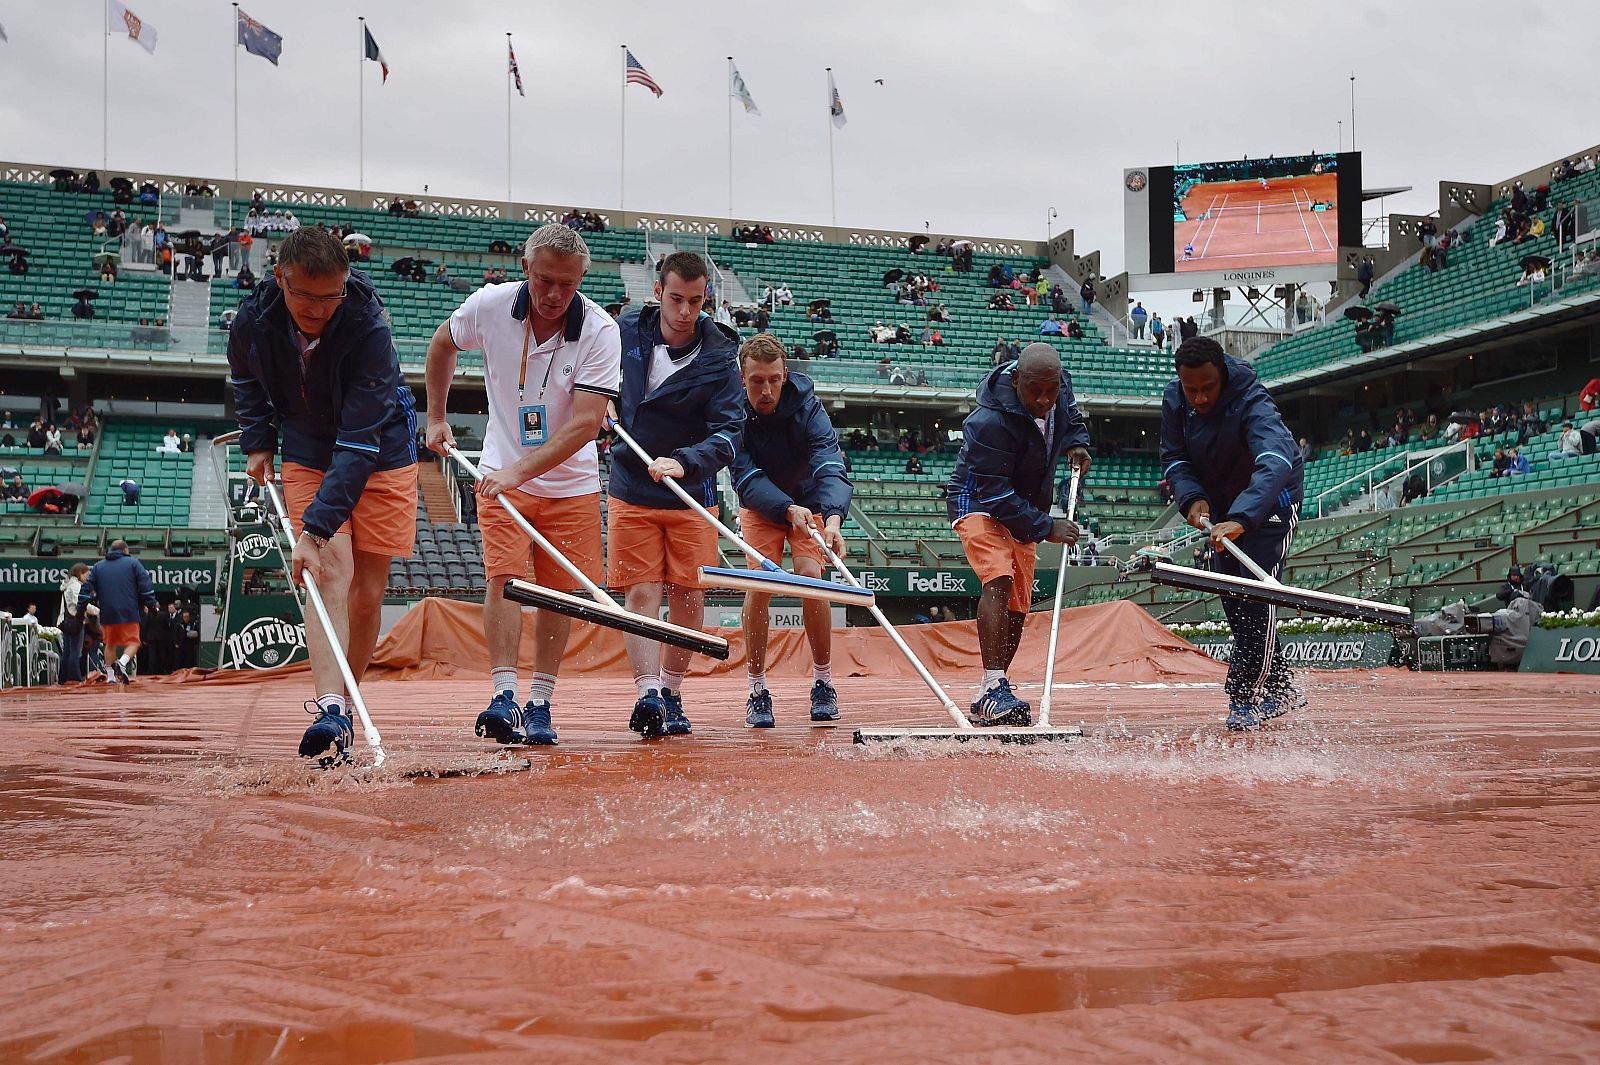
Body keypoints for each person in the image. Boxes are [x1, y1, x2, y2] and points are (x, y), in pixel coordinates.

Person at [227, 226, 420, 766]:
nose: (317, 308)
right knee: (328, 569)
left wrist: (313, 526)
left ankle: (348, 707)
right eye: (305, 294)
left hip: (381, 447)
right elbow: (245, 377)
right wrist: (260, 438)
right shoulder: (252, 319)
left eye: (329, 295)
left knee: (366, 592)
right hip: (307, 442)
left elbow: (358, 444)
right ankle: (330, 707)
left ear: (345, 283)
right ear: (280, 278)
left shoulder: (369, 329)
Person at [425, 224, 620, 747]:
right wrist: (436, 416)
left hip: (571, 484)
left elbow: (584, 424)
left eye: (568, 284)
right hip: (500, 470)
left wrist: (519, 472)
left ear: (581, 278)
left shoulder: (601, 331)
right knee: (504, 580)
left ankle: (541, 702)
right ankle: (504, 694)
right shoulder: (489, 306)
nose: (555, 295)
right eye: (544, 281)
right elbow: (443, 343)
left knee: (559, 594)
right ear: (525, 269)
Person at [610, 252, 744, 739]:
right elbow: (593, 373)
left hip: (690, 491)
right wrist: (602, 398)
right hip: (630, 482)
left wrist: (685, 460)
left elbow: (730, 433)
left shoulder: (721, 355)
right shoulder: (624, 331)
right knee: (641, 591)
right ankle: (645, 692)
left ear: (705, 297)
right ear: (658, 293)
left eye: (695, 301)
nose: (685, 311)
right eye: (676, 299)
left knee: (689, 593)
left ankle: (671, 689)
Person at [1160, 336, 1305, 731]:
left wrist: (1243, 516)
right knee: (1233, 598)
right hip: (1221, 507)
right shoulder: (1175, 400)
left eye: (1208, 388)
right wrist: (1192, 499)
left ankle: (1244, 696)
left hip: (1270, 503)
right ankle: (1281, 685)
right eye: (1192, 389)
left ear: (1222, 374)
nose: (1200, 398)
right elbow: (1174, 458)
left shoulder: (1253, 400)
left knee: (1257, 594)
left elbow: (1275, 461)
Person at [946, 343, 1089, 726]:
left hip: (1026, 501)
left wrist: (1078, 442)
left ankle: (991, 692)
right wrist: (1047, 527)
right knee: (1000, 578)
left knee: (1019, 603)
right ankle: (994, 685)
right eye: (1034, 391)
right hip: (978, 499)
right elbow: (995, 496)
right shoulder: (985, 423)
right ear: (1015, 380)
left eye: (1051, 390)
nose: (1044, 400)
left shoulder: (1059, 385)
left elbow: (1070, 417)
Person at [729, 334, 851, 728]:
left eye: (774, 380)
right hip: (762, 505)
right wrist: (783, 507)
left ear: (785, 374)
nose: (766, 391)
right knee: (760, 583)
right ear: (743, 378)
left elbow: (829, 460)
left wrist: (832, 516)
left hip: (810, 502)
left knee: (812, 579)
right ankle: (757, 688)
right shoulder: (732, 410)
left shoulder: (809, 406)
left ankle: (823, 682)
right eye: (756, 381)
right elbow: (744, 476)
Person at [78, 539, 157, 684]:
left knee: (110, 643)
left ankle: (111, 677)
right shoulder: (133, 563)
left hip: (107, 612)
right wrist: (151, 605)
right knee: (134, 642)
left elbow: (86, 589)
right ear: (125, 550)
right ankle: (122, 663)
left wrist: (80, 607)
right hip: (128, 611)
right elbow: (145, 585)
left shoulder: (98, 566)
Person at [56, 562, 90, 683]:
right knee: (75, 651)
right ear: (80, 573)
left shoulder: (67, 585)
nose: (88, 578)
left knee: (67, 652)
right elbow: (80, 603)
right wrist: (97, 611)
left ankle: (63, 677)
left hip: (65, 621)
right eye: (86, 575)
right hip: (75, 621)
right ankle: (74, 677)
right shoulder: (76, 586)